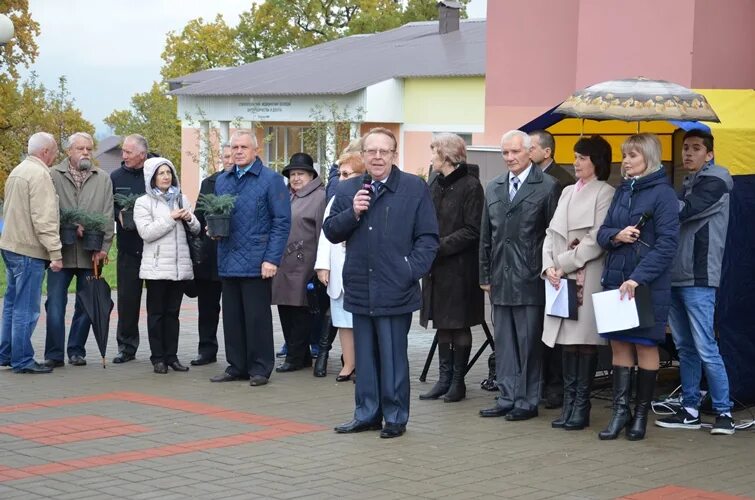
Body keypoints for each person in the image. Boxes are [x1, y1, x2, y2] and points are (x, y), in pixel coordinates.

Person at [324, 127, 439, 438]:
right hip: (360, 287)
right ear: (363, 156)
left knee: (392, 358)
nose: (377, 157)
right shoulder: (348, 190)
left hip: (395, 288)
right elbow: (332, 231)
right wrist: (353, 212)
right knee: (365, 356)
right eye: (371, 151)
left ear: (394, 155)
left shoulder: (414, 188)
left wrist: (408, 270)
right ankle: (367, 414)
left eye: (383, 151)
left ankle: (395, 416)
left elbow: (428, 239)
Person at [596, 133, 679, 441]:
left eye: (632, 155)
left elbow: (668, 245)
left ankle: (640, 415)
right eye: (624, 155)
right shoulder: (622, 190)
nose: (625, 161)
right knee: (619, 345)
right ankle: (620, 412)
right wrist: (617, 235)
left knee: (645, 345)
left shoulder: (663, 194)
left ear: (649, 157)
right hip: (616, 281)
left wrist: (638, 277)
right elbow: (602, 233)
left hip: (645, 284)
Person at [655, 130, 735, 435]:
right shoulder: (688, 184)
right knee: (685, 347)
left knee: (705, 347)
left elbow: (684, 212)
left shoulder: (715, 182)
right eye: (685, 148)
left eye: (696, 148)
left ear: (710, 154)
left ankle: (724, 413)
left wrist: (655, 190)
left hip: (699, 277)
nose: (688, 153)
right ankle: (690, 409)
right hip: (677, 275)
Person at [479, 130, 559, 421]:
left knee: (528, 343)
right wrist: (484, 274)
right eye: (505, 153)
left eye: (515, 152)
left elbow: (552, 236)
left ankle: (527, 400)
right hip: (500, 276)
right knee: (505, 341)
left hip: (531, 278)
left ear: (530, 152)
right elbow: (486, 236)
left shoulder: (548, 186)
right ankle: (507, 395)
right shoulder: (494, 186)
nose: (510, 158)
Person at [542, 135, 615, 430]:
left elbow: (597, 239)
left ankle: (581, 407)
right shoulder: (568, 190)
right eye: (575, 156)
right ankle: (570, 404)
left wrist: (562, 263)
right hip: (561, 276)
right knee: (566, 343)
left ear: (596, 161)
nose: (576, 163)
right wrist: (548, 266)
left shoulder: (605, 192)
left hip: (587, 274)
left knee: (583, 342)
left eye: (582, 158)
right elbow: (551, 232)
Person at [210, 130, 291, 387]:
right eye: (234, 147)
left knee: (257, 317)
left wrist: (272, 259)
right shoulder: (222, 180)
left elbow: (281, 222)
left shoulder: (271, 180)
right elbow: (217, 213)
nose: (238, 151)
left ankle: (260, 368)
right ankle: (237, 366)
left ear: (256, 150)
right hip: (228, 256)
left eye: (243, 146)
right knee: (232, 317)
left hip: (258, 260)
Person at [419, 133, 484, 403]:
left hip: (460, 268)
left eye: (434, 152)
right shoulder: (434, 183)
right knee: (442, 324)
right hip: (436, 268)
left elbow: (473, 230)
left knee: (459, 324)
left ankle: (458, 382)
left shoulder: (471, 186)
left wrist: (439, 246)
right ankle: (443, 379)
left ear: (446, 156)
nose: (431, 157)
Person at [44, 132, 114, 368]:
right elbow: (47, 210)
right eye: (80, 149)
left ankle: (76, 350)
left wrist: (104, 247)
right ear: (68, 151)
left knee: (86, 304)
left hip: (90, 253)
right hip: (60, 253)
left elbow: (107, 215)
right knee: (54, 303)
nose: (85, 153)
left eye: (89, 149)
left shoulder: (102, 177)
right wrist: (71, 225)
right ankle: (54, 354)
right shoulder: (53, 174)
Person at [0, 132, 63, 374]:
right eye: (54, 152)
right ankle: (23, 359)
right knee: (26, 307)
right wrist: (55, 252)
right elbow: (44, 218)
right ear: (45, 152)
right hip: (28, 250)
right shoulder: (40, 175)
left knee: (12, 304)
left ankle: (7, 353)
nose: (55, 157)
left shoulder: (17, 171)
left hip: (10, 245)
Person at [133, 158, 199, 373]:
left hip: (179, 268)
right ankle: (158, 358)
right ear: (152, 177)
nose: (165, 177)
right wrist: (171, 218)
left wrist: (189, 218)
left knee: (173, 314)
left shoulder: (182, 198)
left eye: (168, 172)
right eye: (160, 173)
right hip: (156, 269)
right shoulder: (143, 202)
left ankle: (172, 356)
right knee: (156, 314)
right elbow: (147, 233)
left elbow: (197, 229)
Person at [530, 129, 575, 409]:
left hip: (558, 266)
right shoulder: (532, 180)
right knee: (543, 328)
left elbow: (556, 229)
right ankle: (543, 382)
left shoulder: (560, 181)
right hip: (543, 264)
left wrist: (554, 263)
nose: (526, 151)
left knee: (557, 329)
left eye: (531, 147)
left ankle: (555, 386)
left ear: (547, 152)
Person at [314, 150, 366, 381]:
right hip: (337, 267)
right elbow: (326, 233)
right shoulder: (336, 199)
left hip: (359, 269)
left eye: (346, 174)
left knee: (360, 321)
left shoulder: (368, 197)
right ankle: (349, 363)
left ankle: (364, 365)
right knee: (342, 319)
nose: (341, 179)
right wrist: (322, 265)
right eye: (340, 174)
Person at [272, 153, 327, 373]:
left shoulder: (320, 197)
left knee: (302, 311)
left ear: (311, 175)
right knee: (285, 309)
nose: (295, 178)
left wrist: (320, 265)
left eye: (300, 174)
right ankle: (301, 355)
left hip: (306, 263)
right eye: (292, 174)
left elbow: (324, 232)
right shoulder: (287, 196)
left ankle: (294, 357)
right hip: (283, 264)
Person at [190, 144, 234, 366]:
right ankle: (206, 350)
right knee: (207, 308)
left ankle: (236, 354)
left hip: (234, 255)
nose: (229, 160)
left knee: (233, 310)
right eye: (225, 156)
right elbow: (198, 216)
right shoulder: (209, 182)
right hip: (209, 257)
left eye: (232, 156)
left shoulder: (244, 184)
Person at [111, 134, 151, 363]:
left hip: (154, 248)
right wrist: (119, 214)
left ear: (142, 154)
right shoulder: (116, 177)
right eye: (123, 151)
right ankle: (126, 347)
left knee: (157, 301)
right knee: (127, 300)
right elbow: (110, 205)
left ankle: (161, 348)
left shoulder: (156, 173)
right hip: (128, 248)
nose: (123, 156)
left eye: (128, 152)